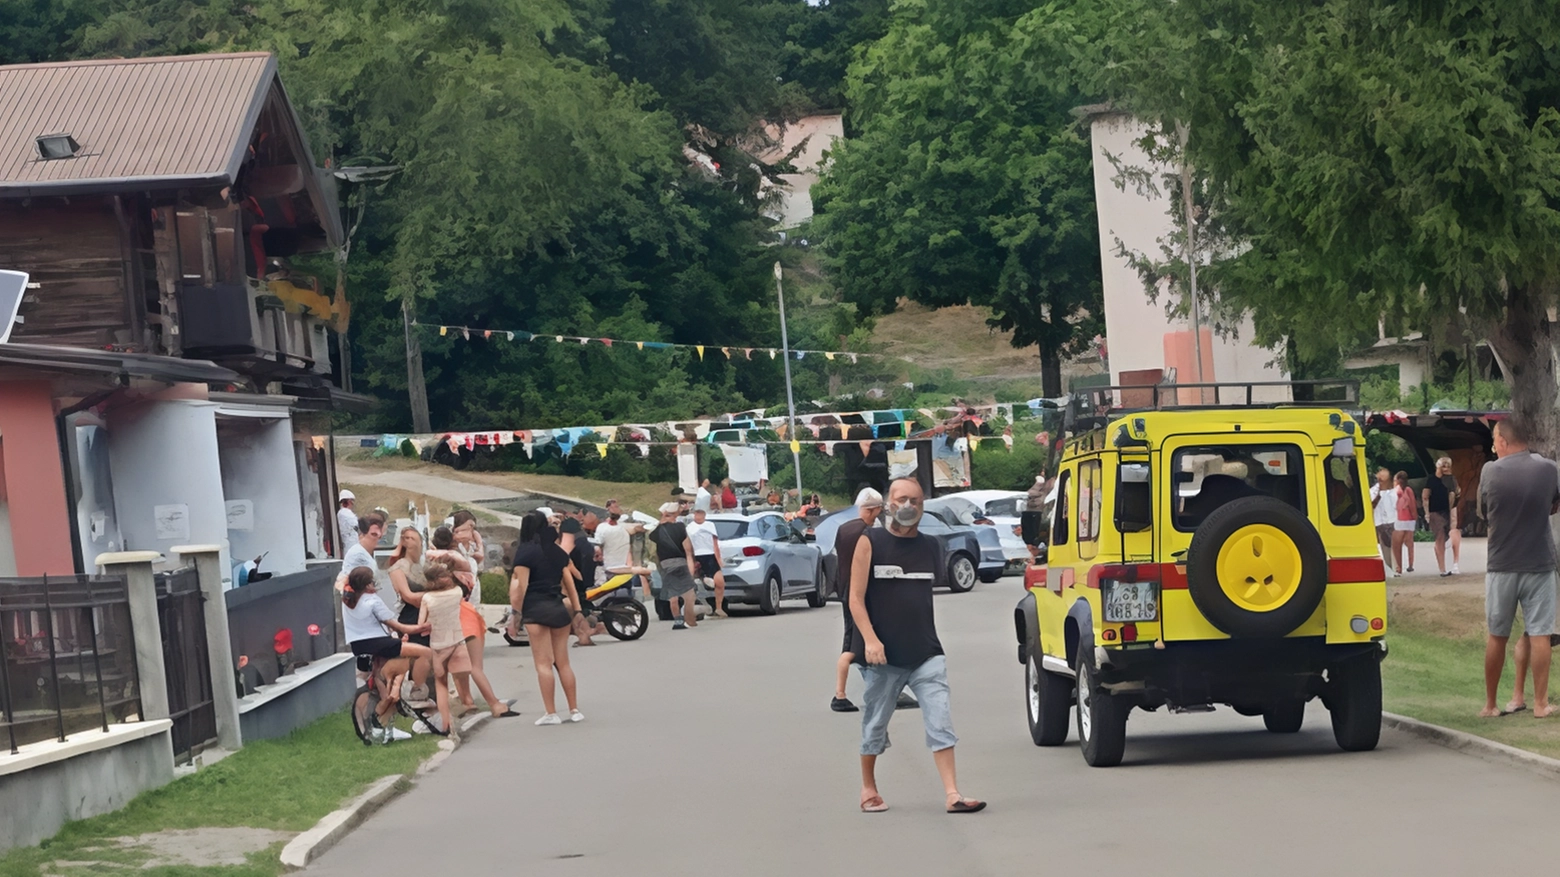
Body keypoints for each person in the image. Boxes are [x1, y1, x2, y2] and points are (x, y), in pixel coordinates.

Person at [849, 478, 982, 814]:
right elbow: (855, 598)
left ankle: (952, 794)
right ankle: (868, 788)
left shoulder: (931, 546)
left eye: (917, 501)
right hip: (883, 656)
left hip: (926, 651)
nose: (909, 506)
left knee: (940, 719)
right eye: (903, 499)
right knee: (875, 722)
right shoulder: (871, 541)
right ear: (888, 504)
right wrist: (871, 639)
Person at [1479, 420, 1560, 718]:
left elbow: (1484, 510)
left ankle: (1490, 704)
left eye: (1494, 440)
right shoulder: (1549, 468)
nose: (1493, 446)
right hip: (1539, 561)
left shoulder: (1490, 471)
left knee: (1497, 635)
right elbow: (1555, 502)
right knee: (1540, 634)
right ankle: (1540, 704)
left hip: (1502, 563)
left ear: (1502, 440)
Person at [510, 511, 584, 725]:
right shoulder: (557, 551)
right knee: (563, 663)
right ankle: (574, 709)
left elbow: (521, 587)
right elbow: (569, 581)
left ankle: (551, 713)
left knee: (543, 664)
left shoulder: (524, 552)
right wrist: (577, 610)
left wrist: (516, 614)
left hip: (536, 609)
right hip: (558, 607)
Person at [342, 566, 431, 739]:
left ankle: (383, 727)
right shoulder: (372, 600)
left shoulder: (347, 600)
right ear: (368, 585)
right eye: (372, 581)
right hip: (379, 643)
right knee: (425, 653)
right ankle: (417, 690)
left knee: (382, 683)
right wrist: (422, 627)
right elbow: (398, 626)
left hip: (358, 646)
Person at [831, 489, 883, 712]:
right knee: (854, 644)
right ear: (873, 510)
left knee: (859, 640)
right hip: (859, 593)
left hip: (844, 588)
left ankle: (886, 688)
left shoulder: (845, 529)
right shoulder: (866, 533)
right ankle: (839, 695)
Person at [387, 527, 435, 705]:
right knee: (419, 657)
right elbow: (408, 596)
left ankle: (428, 694)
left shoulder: (423, 566)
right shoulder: (398, 568)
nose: (411, 542)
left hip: (429, 616)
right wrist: (435, 595)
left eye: (414, 539)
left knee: (430, 658)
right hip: (410, 618)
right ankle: (416, 692)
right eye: (407, 538)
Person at [560, 515, 608, 645]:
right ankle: (587, 632)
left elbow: (572, 566)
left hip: (577, 582)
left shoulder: (573, 545)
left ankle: (587, 633)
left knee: (577, 609)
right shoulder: (584, 542)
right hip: (585, 580)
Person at [653, 501, 700, 629]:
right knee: (688, 594)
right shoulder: (680, 527)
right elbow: (688, 551)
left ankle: (678, 621)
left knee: (672, 595)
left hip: (665, 565)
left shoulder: (658, 531)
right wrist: (691, 571)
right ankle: (689, 619)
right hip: (680, 563)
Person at [1421, 457, 1459, 577]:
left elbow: (1457, 492)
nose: (1446, 468)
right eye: (1444, 466)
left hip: (1447, 512)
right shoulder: (1432, 480)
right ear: (1438, 467)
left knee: (1446, 536)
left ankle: (1444, 564)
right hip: (1435, 512)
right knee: (1440, 537)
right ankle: (1442, 569)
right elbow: (1425, 496)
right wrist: (1427, 513)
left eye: (1448, 466)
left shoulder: (1450, 480)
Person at [687, 507, 727, 618]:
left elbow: (715, 543)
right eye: (696, 514)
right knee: (695, 584)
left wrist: (718, 558)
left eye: (700, 514)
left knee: (720, 582)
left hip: (710, 555)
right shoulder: (690, 528)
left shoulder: (710, 525)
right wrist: (691, 559)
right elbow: (688, 545)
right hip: (697, 555)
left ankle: (719, 608)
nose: (698, 516)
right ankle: (692, 607)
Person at [337, 512, 384, 591]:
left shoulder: (366, 553)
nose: (377, 539)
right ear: (362, 535)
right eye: (373, 535)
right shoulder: (358, 554)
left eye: (380, 536)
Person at [1368, 468, 1397, 574]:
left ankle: (1397, 568)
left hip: (1394, 522)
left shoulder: (1396, 491)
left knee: (1395, 547)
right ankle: (1390, 568)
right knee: (1385, 547)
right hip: (1380, 522)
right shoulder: (1373, 491)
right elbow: (1370, 505)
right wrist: (1379, 494)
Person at [1392, 471, 1417, 575]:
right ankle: (1410, 565)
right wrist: (1415, 516)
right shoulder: (1408, 490)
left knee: (1398, 544)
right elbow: (1412, 504)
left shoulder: (1395, 490)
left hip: (1399, 519)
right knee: (1409, 543)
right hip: (1409, 519)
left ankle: (1399, 567)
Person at [337, 490, 358, 558]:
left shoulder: (344, 512)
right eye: (351, 501)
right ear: (349, 501)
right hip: (349, 541)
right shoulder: (344, 513)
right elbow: (356, 524)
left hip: (351, 541)